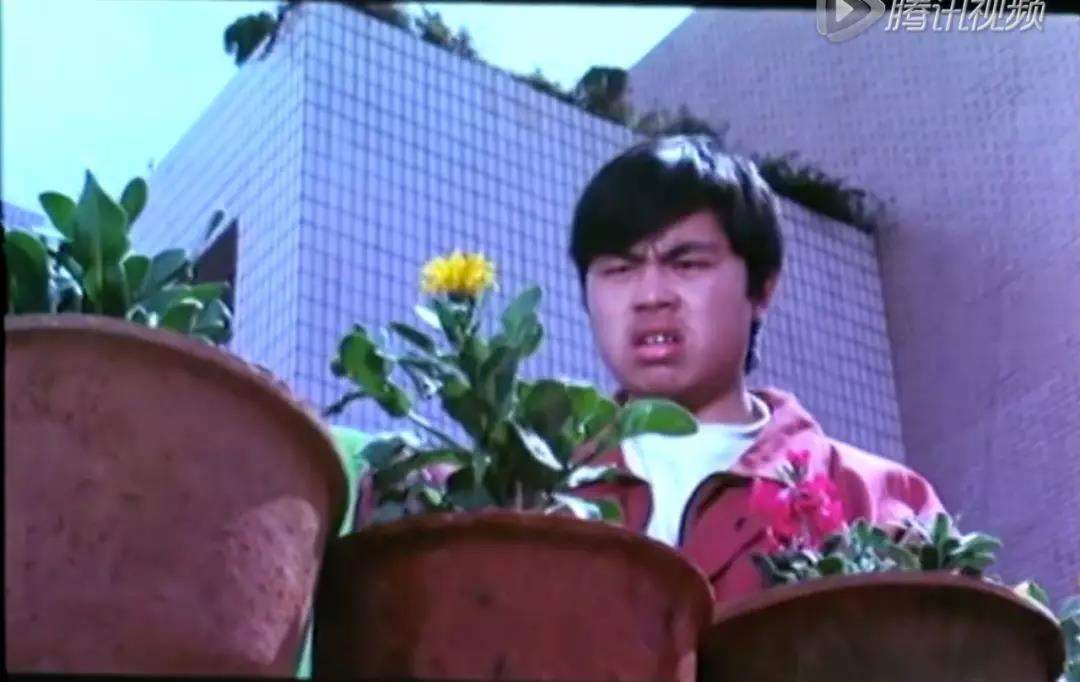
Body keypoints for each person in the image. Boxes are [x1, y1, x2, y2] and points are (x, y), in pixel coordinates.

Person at [565, 132, 947, 603]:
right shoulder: (538, 497)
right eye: (619, 270)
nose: (651, 296)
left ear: (763, 288)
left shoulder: (879, 500)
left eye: (687, 264)